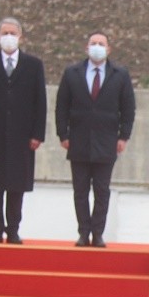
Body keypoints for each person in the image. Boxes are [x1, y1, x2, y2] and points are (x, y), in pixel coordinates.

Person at [53, 31, 136, 247]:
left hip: (106, 140)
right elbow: (61, 105)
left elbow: (128, 108)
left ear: (108, 49)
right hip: (78, 139)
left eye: (101, 43)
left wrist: (123, 136)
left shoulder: (120, 74)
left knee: (102, 190)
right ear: (86, 48)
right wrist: (63, 134)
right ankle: (83, 232)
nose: (97, 47)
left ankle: (98, 232)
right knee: (80, 190)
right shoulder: (72, 73)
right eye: (93, 43)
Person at [0, 18, 47, 244]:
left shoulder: (33, 65)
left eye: (13, 33)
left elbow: (40, 102)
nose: (9, 36)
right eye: (5, 32)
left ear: (21, 36)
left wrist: (37, 134)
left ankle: (13, 229)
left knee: (17, 183)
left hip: (22, 136)